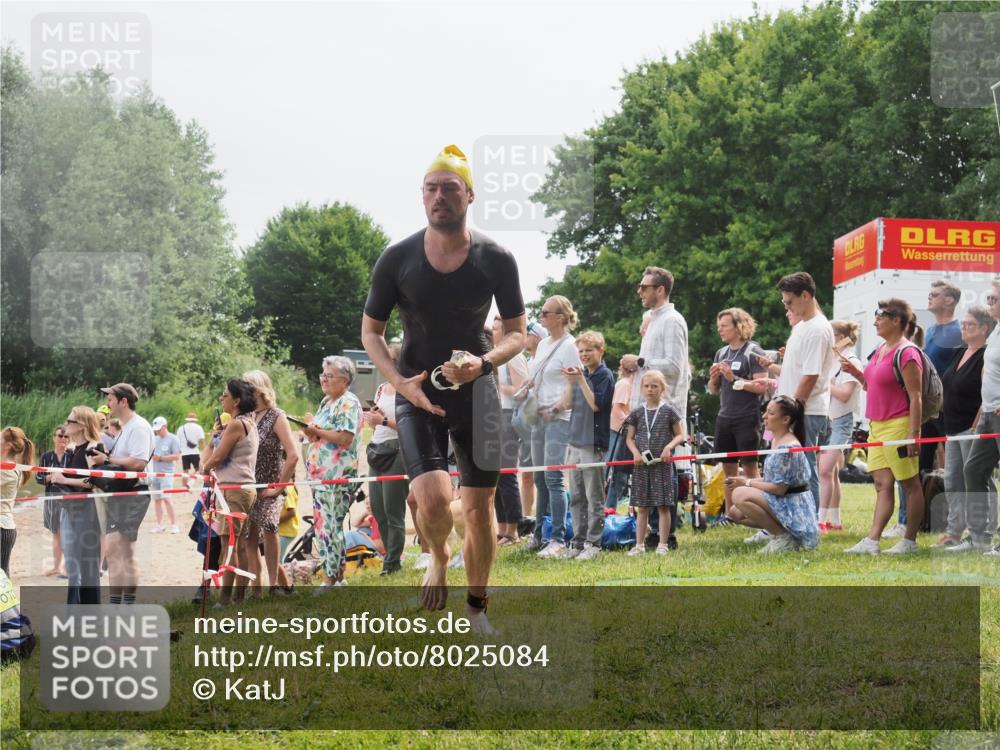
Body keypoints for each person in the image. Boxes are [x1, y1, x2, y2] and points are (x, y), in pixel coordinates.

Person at [361, 144, 526, 627]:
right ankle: (437, 555)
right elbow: (370, 332)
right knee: (431, 500)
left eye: (449, 189)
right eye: (431, 189)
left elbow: (517, 332)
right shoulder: (397, 258)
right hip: (418, 389)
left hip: (478, 392)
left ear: (469, 195)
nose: (439, 197)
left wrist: (485, 364)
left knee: (479, 508)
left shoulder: (496, 258)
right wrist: (397, 384)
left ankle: (477, 608)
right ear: (422, 196)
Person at [839, 299, 925, 554]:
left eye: (880, 316)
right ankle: (872, 541)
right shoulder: (880, 349)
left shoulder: (907, 352)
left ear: (897, 321)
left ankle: (909, 541)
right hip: (876, 425)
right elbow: (873, 385)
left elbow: (916, 396)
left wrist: (914, 434)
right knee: (882, 485)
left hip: (899, 425)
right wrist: (856, 373)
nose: (875, 320)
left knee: (910, 485)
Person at [619, 266, 691, 548]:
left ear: (660, 290)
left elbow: (674, 367)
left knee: (662, 474)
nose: (640, 291)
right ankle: (651, 533)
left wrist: (640, 362)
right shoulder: (653, 321)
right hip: (646, 411)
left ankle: (666, 536)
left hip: (665, 411)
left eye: (644, 287)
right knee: (646, 474)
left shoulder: (672, 321)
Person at [519, 295, 582, 558]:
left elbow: (574, 385)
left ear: (560, 317)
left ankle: (558, 539)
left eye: (546, 312)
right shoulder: (544, 344)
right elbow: (538, 375)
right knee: (540, 478)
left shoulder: (570, 346)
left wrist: (556, 408)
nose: (541, 316)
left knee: (555, 478)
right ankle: (539, 535)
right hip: (538, 418)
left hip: (558, 418)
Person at [935, 305, 996, 550]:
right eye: (963, 324)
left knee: (978, 479)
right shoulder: (961, 351)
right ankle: (954, 531)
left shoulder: (987, 354)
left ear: (984, 328)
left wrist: (976, 423)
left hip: (973, 427)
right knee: (952, 480)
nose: (963, 328)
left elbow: (987, 393)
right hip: (952, 427)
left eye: (969, 324)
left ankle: (983, 531)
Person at [775, 272, 836, 512]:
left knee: (804, 468)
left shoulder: (818, 329)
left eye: (790, 302)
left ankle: (809, 521)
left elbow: (810, 376)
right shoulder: (802, 326)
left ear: (806, 295)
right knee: (789, 469)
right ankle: (788, 520)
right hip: (796, 409)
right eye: (784, 302)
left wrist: (792, 411)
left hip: (806, 411)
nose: (787, 306)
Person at [726, 396, 819, 552]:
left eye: (770, 413)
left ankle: (783, 537)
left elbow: (779, 489)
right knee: (735, 514)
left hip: (792, 506)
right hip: (785, 500)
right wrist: (745, 480)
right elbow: (774, 480)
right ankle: (778, 532)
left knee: (740, 495)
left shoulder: (788, 448)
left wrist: (746, 483)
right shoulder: (776, 440)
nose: (764, 416)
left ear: (785, 419)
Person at [303, 356, 362, 591]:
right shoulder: (327, 401)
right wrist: (311, 432)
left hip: (336, 474)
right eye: (322, 375)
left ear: (345, 380)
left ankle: (331, 579)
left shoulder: (348, 402)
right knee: (322, 525)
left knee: (330, 526)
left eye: (329, 376)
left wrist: (317, 430)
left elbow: (345, 438)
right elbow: (321, 434)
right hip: (319, 475)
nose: (324, 380)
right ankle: (336, 575)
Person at [201, 378, 259, 605]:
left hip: (234, 489)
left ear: (236, 400)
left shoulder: (236, 425)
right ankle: (238, 596)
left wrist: (204, 468)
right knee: (240, 545)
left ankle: (225, 600)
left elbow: (218, 457)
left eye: (225, 395)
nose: (221, 399)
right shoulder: (247, 422)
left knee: (229, 546)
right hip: (242, 488)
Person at [95, 383, 154, 604]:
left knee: (124, 551)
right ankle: (116, 605)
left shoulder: (138, 426)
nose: (107, 403)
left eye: (110, 399)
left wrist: (107, 460)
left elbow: (139, 462)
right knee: (113, 550)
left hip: (134, 493)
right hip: (121, 493)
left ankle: (125, 605)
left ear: (123, 401)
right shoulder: (125, 427)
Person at [242, 369, 300, 593]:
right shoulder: (245, 417)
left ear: (259, 389)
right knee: (249, 537)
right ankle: (258, 589)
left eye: (248, 387)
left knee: (269, 528)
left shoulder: (277, 415)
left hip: (271, 484)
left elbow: (293, 454)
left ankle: (274, 584)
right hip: (249, 484)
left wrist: (278, 488)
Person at [708, 307, 768, 520]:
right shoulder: (721, 353)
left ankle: (760, 512)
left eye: (724, 326)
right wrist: (714, 378)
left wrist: (734, 378)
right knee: (728, 469)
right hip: (725, 416)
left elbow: (762, 387)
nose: (720, 330)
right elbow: (715, 389)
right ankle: (730, 515)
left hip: (747, 417)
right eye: (719, 326)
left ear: (739, 326)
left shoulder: (753, 351)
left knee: (751, 468)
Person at [564, 330, 614, 561]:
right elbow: (569, 404)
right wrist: (570, 381)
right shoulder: (581, 375)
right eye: (581, 351)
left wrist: (580, 380)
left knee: (593, 496)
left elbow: (596, 405)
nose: (583, 355)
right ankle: (577, 541)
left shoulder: (605, 376)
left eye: (588, 350)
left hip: (592, 443)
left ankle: (594, 543)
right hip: (574, 441)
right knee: (575, 496)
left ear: (600, 351)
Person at [624, 370, 685, 556]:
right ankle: (639, 545)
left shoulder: (669, 411)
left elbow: (681, 434)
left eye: (654, 386)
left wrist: (669, 447)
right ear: (642, 388)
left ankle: (663, 544)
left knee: (663, 506)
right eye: (647, 386)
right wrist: (635, 453)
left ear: (663, 388)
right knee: (642, 507)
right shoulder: (636, 412)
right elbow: (629, 438)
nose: (650, 390)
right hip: (642, 466)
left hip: (662, 466)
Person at [48, 407, 104, 604]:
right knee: (77, 566)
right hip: (69, 508)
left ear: (81, 425)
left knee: (82, 567)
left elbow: (94, 481)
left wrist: (63, 479)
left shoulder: (94, 447)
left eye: (70, 421)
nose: (65, 425)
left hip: (86, 510)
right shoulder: (73, 449)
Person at [363, 346, 410, 574]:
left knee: (394, 510)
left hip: (397, 451)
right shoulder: (381, 388)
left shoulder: (407, 388)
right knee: (378, 510)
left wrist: (383, 422)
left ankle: (393, 562)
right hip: (377, 450)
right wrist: (372, 419)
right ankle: (389, 555)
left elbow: (410, 427)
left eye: (389, 359)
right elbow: (377, 420)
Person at [961, 284, 1000, 556]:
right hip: (988, 413)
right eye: (989, 298)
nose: (989, 303)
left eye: (994, 299)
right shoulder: (997, 329)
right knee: (973, 470)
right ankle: (979, 537)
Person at [818, 320, 862, 532]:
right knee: (831, 472)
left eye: (830, 336)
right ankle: (834, 521)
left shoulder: (851, 361)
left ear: (842, 337)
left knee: (825, 471)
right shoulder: (834, 360)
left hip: (841, 421)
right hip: (829, 420)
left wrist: (824, 384)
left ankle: (820, 519)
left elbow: (844, 395)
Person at [492, 316, 528, 545]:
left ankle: (513, 529)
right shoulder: (496, 355)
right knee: (494, 475)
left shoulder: (513, 356)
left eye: (495, 327)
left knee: (506, 474)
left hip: (508, 416)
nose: (492, 331)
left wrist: (497, 385)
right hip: (494, 417)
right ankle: (502, 527)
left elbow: (523, 388)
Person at [519, 320, 546, 525]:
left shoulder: (543, 359)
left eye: (527, 334)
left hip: (544, 421)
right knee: (528, 474)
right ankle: (527, 516)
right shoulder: (529, 361)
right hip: (528, 423)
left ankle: (544, 517)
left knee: (547, 476)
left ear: (535, 337)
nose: (524, 338)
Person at [0, 427, 35, 576]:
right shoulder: (9, 466)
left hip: (2, 528)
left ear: (7, 445)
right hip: (4, 528)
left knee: (2, 581)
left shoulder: (7, 469)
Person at [38, 427, 72, 576]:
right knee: (56, 533)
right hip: (51, 498)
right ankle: (56, 567)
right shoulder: (46, 457)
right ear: (54, 438)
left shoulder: (72, 456)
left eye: (66, 437)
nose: (63, 439)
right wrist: (49, 478)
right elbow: (38, 478)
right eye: (60, 436)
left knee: (68, 533)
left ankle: (67, 567)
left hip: (69, 498)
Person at [604, 362, 636, 510]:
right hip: (617, 433)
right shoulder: (625, 384)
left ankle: (610, 508)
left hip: (624, 433)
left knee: (620, 474)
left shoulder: (631, 385)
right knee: (612, 471)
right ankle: (607, 507)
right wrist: (632, 423)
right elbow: (617, 408)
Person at [149, 416, 182, 534]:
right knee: (157, 500)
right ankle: (159, 525)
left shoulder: (173, 439)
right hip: (155, 473)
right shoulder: (154, 439)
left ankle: (174, 525)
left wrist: (161, 458)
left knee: (167, 498)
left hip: (167, 473)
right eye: (156, 429)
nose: (157, 431)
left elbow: (176, 456)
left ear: (165, 426)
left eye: (159, 429)